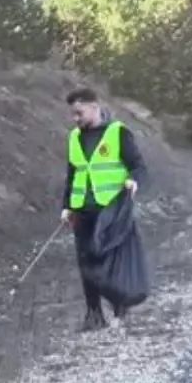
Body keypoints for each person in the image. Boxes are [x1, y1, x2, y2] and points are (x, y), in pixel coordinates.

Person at [60, 87, 147, 332]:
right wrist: (66, 207)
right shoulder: (74, 137)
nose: (76, 119)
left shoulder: (118, 133)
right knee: (85, 261)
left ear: (95, 106)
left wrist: (133, 180)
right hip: (82, 210)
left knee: (109, 259)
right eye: (73, 114)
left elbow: (139, 166)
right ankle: (94, 314)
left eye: (79, 113)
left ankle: (120, 307)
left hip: (111, 210)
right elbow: (72, 175)